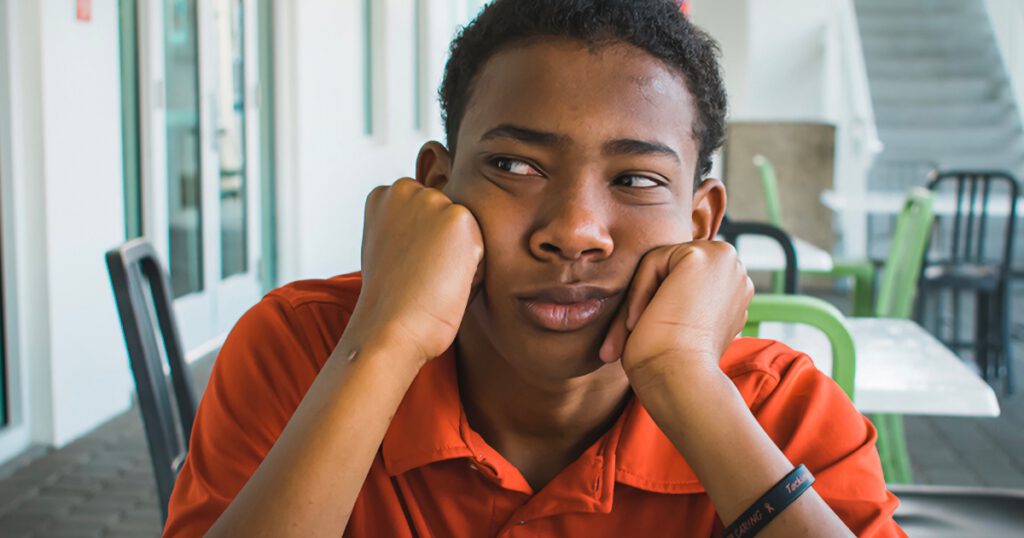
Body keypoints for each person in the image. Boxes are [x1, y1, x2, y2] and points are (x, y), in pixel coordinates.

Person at [164, 1, 903, 536]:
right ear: (436, 188)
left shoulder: (779, 413)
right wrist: (386, 341)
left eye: (636, 179)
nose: (574, 232)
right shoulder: (301, 352)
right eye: (515, 166)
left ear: (701, 222)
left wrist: (686, 381)